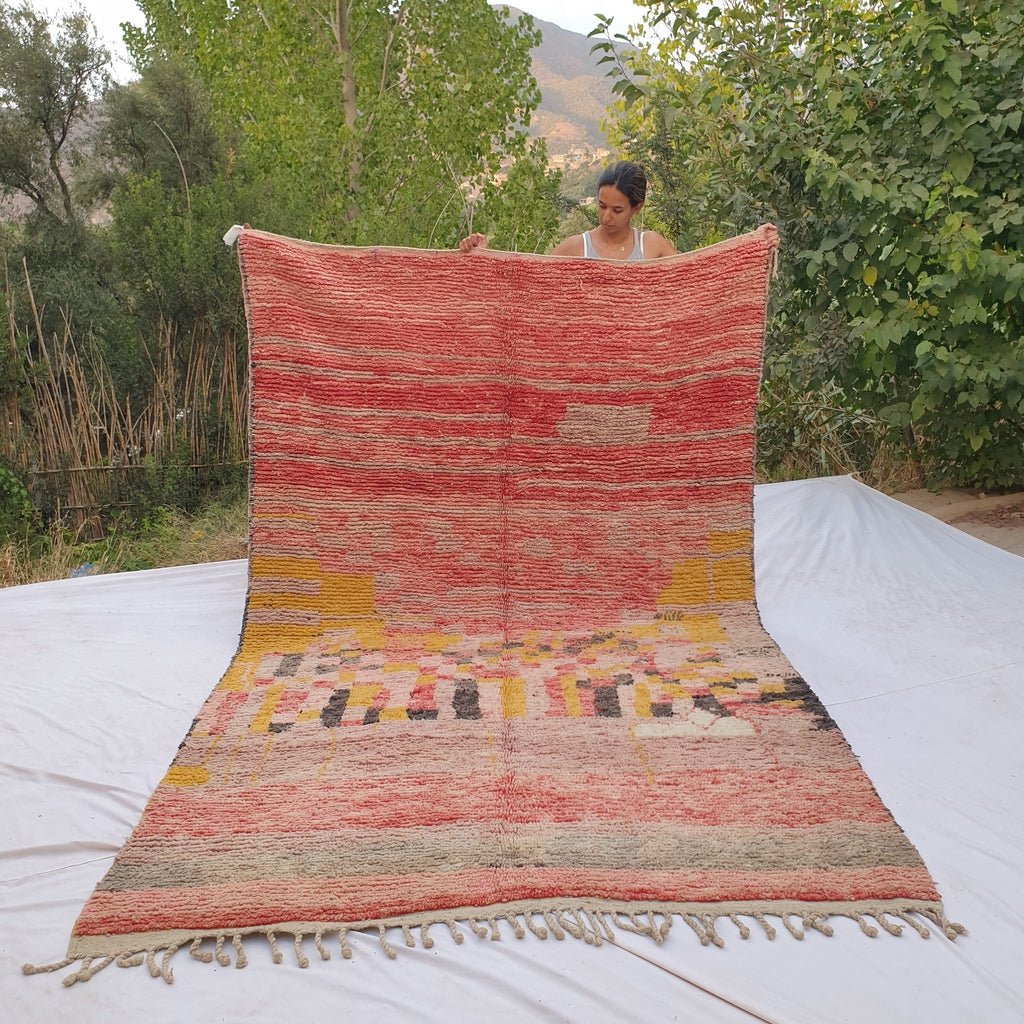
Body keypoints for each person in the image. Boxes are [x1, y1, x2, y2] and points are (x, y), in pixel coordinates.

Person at [459, 160, 676, 261]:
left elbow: (688, 288)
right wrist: (484, 258)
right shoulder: (576, 248)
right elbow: (528, 286)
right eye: (602, 206)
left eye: (617, 210)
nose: (606, 216)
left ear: (636, 208)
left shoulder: (652, 246)